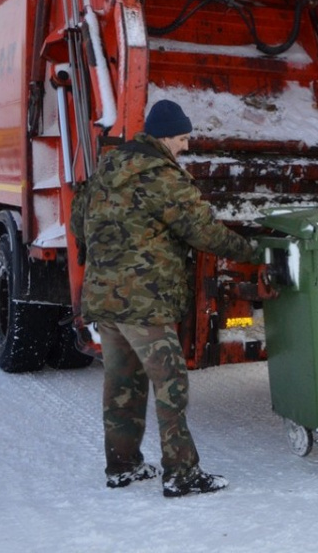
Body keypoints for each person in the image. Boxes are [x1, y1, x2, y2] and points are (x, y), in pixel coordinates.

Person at [71, 99, 262, 497]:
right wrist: (254, 251)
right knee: (171, 383)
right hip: (144, 303)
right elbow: (204, 232)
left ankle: (122, 466)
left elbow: (77, 224)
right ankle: (181, 474)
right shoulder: (162, 177)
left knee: (122, 382)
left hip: (105, 299)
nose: (186, 146)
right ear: (163, 137)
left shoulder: (106, 170)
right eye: (182, 138)